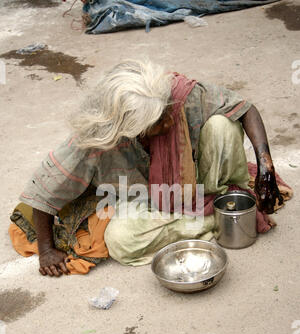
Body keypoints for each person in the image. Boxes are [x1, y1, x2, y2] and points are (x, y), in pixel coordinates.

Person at [11, 59, 285, 276]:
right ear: (127, 128)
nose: (169, 119)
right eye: (157, 120)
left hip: (200, 177)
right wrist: (46, 250)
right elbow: (45, 190)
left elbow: (246, 108)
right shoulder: (96, 140)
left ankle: (223, 198)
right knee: (120, 241)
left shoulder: (179, 95)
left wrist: (265, 167)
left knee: (222, 125)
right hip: (150, 201)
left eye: (166, 110)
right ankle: (222, 217)